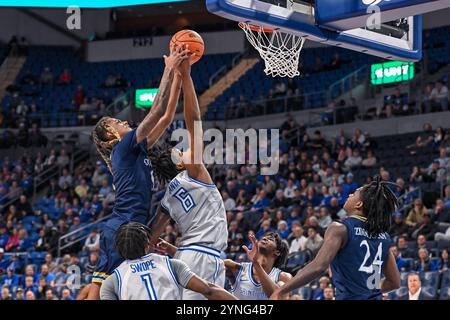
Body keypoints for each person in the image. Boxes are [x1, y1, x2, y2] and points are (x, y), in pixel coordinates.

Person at [87, 44, 189, 300]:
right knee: (100, 291)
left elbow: (165, 118)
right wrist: (168, 70)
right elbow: (154, 111)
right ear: (111, 135)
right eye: (116, 122)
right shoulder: (122, 147)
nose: (123, 121)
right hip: (122, 227)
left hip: (136, 225)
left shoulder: (133, 150)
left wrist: (179, 75)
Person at [149, 58, 228, 300]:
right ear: (181, 164)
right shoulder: (194, 172)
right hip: (204, 256)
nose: (186, 151)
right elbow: (194, 121)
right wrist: (186, 76)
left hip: (184, 256)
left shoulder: (167, 199)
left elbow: (151, 238)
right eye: (182, 152)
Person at [270, 176, 401, 300]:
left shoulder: (339, 228)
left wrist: (282, 290)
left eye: (354, 194)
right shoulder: (384, 237)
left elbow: (318, 266)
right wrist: (367, 292)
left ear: (359, 204)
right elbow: (394, 282)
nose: (350, 195)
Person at [99, 222, 236, 300]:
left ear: (119, 249)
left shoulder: (111, 282)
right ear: (147, 245)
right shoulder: (170, 264)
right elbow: (209, 290)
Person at [224, 233, 291, 300]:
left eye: (270, 239)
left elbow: (275, 296)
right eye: (264, 237)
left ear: (277, 252)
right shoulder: (236, 268)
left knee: (281, 285)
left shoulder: (283, 277)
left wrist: (256, 263)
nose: (264, 238)